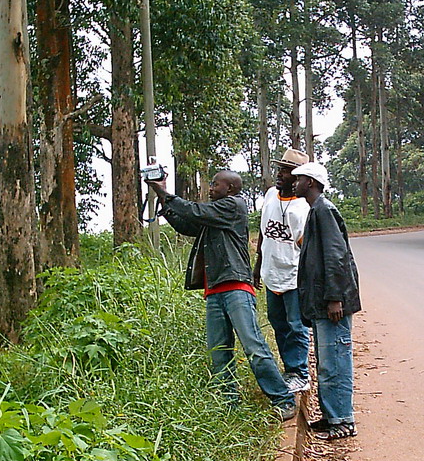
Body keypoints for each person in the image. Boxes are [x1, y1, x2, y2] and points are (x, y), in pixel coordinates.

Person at [145, 169, 296, 421]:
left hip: (236, 287)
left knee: (253, 347)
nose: (211, 188)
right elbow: (187, 224)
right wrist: (164, 201)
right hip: (214, 289)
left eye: (216, 184)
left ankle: (283, 398)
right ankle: (228, 404)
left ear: (230, 189)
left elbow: (195, 211)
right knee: (219, 351)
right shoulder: (215, 214)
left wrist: (164, 191)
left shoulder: (233, 206)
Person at [291, 161, 361, 440]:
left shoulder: (324, 210)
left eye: (298, 179)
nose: (294, 184)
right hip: (322, 303)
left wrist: (334, 298)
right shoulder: (316, 211)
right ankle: (332, 416)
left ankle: (343, 421)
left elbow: (336, 255)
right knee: (326, 362)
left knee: (335, 362)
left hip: (333, 303)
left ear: (310, 182)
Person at [253, 148, 312, 394]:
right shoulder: (269, 195)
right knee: (278, 323)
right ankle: (290, 369)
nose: (279, 175)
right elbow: (263, 234)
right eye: (279, 170)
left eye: (285, 172)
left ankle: (300, 373)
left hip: (294, 276)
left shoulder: (303, 207)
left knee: (296, 326)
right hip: (271, 273)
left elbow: (306, 246)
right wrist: (257, 267)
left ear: (297, 177)